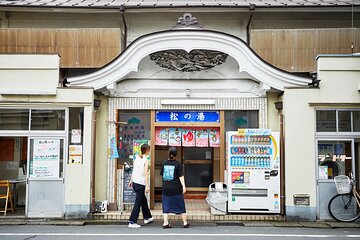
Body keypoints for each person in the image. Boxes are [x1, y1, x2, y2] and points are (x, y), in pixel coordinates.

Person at [160, 147, 190, 228]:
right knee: (181, 205)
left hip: (166, 188)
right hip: (176, 188)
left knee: (166, 206)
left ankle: (165, 223)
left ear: (168, 154)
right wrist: (184, 186)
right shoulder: (178, 164)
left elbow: (162, 175)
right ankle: (185, 223)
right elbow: (181, 176)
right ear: (176, 154)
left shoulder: (164, 163)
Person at [128, 143, 153, 228]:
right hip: (140, 184)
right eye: (149, 149)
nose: (150, 151)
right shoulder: (145, 160)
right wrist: (147, 185)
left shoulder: (137, 158)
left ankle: (147, 217)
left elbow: (134, 170)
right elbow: (145, 173)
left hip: (135, 183)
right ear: (147, 150)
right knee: (138, 203)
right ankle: (132, 222)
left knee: (143, 201)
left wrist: (131, 181)